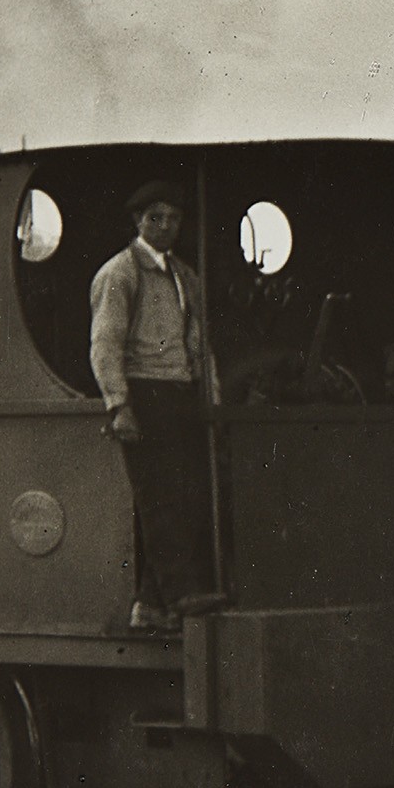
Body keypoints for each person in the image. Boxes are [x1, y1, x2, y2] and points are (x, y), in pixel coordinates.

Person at [90, 180, 222, 633]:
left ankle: (149, 604)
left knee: (183, 497)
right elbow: (104, 345)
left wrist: (212, 396)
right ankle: (182, 594)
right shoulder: (120, 273)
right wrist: (119, 404)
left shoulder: (185, 276)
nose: (165, 227)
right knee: (160, 499)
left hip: (181, 393)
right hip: (144, 394)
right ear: (138, 221)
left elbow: (200, 343)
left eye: (173, 219)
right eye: (155, 218)